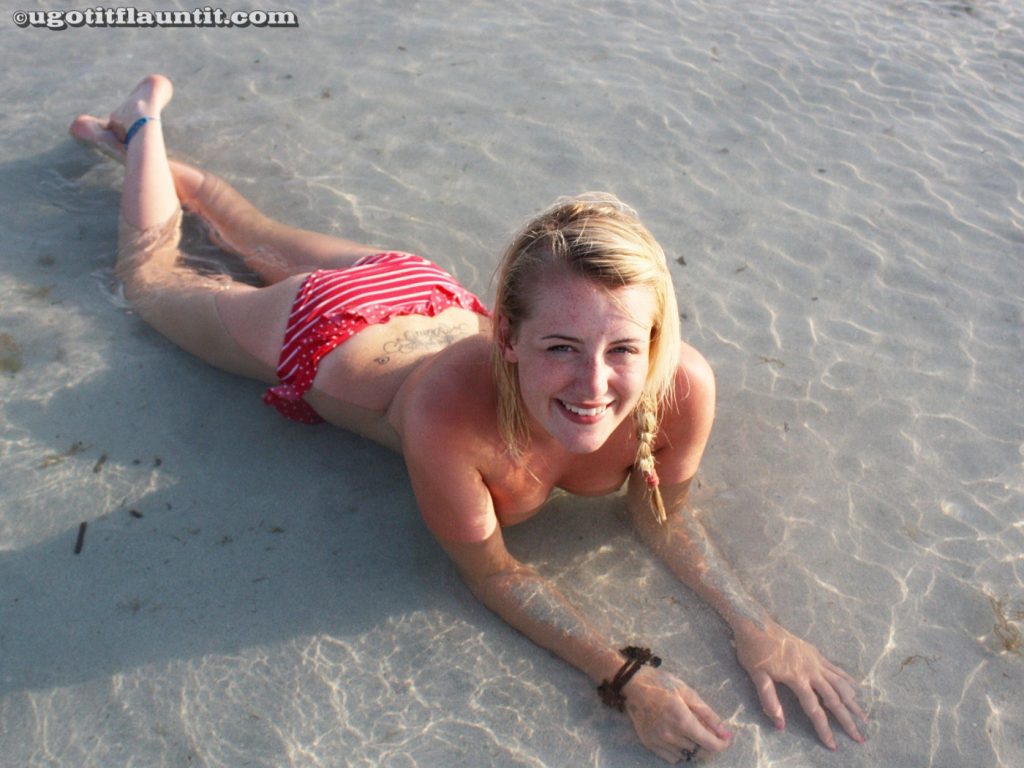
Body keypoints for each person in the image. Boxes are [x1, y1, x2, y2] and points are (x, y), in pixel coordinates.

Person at [69, 75, 867, 764]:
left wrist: (755, 625)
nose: (594, 385)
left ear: (657, 340)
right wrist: (628, 681)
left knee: (241, 224)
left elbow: (661, 512)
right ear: (510, 338)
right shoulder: (452, 416)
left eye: (623, 348)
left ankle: (140, 153)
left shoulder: (682, 384)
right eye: (561, 348)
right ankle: (142, 122)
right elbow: (493, 574)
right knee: (150, 277)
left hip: (422, 290)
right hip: (322, 331)